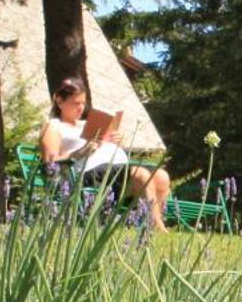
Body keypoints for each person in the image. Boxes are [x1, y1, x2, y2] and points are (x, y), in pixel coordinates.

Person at [39, 77, 173, 230]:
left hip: (112, 171)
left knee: (161, 176)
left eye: (83, 103)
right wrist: (79, 153)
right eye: (75, 103)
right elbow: (50, 164)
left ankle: (153, 223)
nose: (81, 108)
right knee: (140, 174)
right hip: (84, 176)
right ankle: (157, 229)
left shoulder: (86, 124)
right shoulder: (53, 127)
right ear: (59, 101)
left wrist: (116, 141)